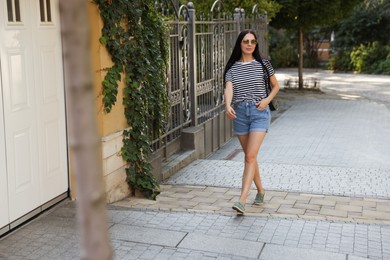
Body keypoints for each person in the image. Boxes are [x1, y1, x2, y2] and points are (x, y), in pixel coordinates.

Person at [224, 30, 280, 214]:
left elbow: (275, 86)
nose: (249, 44)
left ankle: (242, 200)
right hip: (240, 113)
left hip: (259, 112)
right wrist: (227, 105)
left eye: (253, 41)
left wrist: (267, 100)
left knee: (249, 156)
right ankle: (261, 191)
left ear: (256, 44)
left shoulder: (264, 64)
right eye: (246, 41)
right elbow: (229, 88)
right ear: (240, 43)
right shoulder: (232, 67)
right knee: (251, 156)